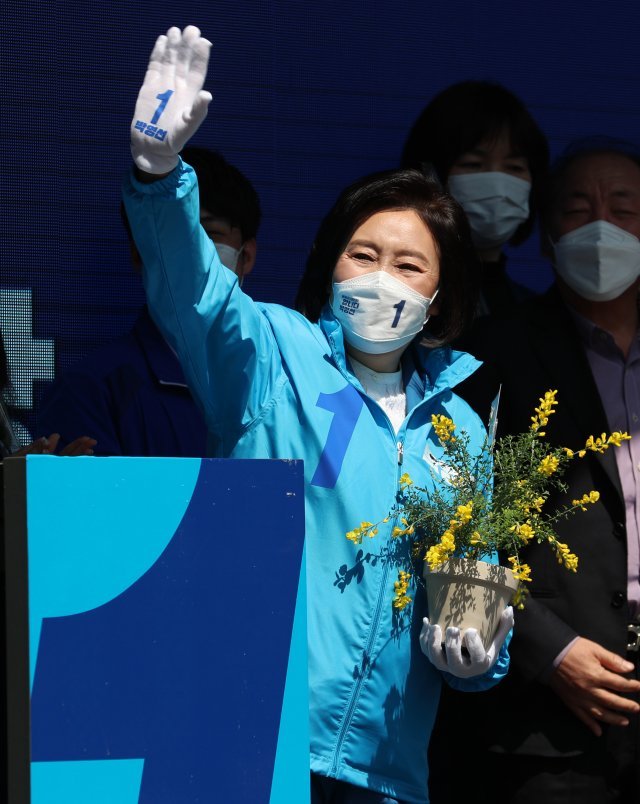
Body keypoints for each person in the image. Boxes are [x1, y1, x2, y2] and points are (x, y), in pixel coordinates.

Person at [123, 27, 514, 803]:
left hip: (386, 772)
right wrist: (160, 174)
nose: (381, 278)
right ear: (329, 265)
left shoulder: (462, 432)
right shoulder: (276, 354)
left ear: (438, 299)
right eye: (362, 255)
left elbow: (467, 604)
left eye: (408, 266)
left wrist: (478, 655)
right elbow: (197, 296)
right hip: (249, 743)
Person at [429, 138, 640, 804]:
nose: (602, 224)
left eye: (625, 206)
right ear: (545, 237)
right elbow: (450, 526)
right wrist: (545, 651)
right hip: (543, 722)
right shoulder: (489, 356)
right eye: (579, 206)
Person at [37, 146, 260, 457]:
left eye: (209, 234)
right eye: (172, 236)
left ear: (246, 255)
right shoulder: (90, 392)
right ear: (138, 253)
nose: (194, 253)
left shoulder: (281, 383)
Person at [401, 81, 549, 319]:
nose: (498, 185)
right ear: (430, 174)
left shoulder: (537, 314)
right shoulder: (400, 302)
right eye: (473, 164)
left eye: (514, 167)